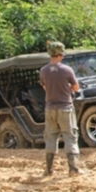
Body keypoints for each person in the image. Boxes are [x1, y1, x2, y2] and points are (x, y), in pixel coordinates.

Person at [39, 41, 84, 176]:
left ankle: (48, 170)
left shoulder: (43, 70)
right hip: (65, 107)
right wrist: (67, 89)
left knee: (51, 137)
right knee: (70, 136)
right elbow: (76, 88)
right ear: (59, 54)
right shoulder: (66, 70)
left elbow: (45, 87)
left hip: (50, 108)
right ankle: (73, 169)